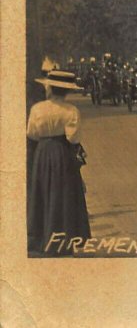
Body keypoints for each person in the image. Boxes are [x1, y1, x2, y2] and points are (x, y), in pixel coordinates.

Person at [27, 70, 90, 256]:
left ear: (50, 88)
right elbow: (73, 138)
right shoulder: (71, 111)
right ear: (66, 91)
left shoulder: (37, 109)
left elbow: (32, 134)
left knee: (43, 191)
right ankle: (65, 238)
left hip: (42, 152)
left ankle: (41, 238)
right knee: (63, 194)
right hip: (62, 154)